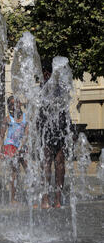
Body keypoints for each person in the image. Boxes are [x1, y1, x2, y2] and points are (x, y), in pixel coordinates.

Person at [37, 65, 70, 209]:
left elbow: (66, 111)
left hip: (60, 131)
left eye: (48, 73)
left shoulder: (61, 89)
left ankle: (58, 198)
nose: (46, 75)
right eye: (44, 73)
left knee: (60, 164)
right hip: (46, 132)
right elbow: (39, 113)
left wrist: (68, 131)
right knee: (46, 164)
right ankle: (45, 198)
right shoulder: (41, 90)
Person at [0, 96, 28, 205]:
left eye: (16, 103)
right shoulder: (8, 119)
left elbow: (25, 135)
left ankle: (33, 196)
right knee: (14, 171)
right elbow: (1, 136)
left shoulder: (26, 118)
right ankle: (13, 199)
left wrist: (21, 148)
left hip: (21, 146)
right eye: (11, 104)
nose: (14, 105)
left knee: (28, 169)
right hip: (10, 145)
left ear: (20, 104)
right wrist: (0, 151)